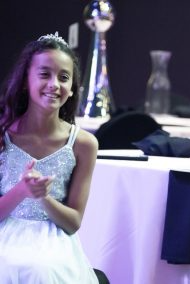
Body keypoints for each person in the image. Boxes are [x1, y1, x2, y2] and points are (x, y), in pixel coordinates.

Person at [0, 32, 99, 283]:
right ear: (25, 81)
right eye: (45, 74)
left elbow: (73, 222)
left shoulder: (83, 144)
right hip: (5, 233)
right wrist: (22, 190)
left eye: (64, 77)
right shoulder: (3, 135)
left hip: (53, 240)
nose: (55, 84)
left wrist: (43, 197)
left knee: (42, 270)